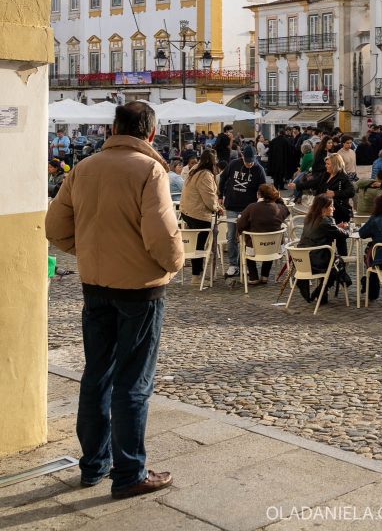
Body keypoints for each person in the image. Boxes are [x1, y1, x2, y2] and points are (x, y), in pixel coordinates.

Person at [44, 101, 183, 497]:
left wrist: (86, 250)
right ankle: (129, 473)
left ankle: (93, 465)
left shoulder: (84, 168)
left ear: (113, 129)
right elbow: (163, 238)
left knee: (97, 374)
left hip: (95, 287)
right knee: (133, 382)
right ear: (151, 133)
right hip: (140, 290)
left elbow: (54, 227)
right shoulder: (150, 169)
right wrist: (172, 265)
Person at [219, 144, 267, 277]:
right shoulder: (234, 164)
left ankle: (244, 263)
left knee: (247, 237)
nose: (249, 164)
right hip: (232, 205)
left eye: (251, 161)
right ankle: (233, 264)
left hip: (248, 208)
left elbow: (263, 188)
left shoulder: (259, 169)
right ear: (242, 157)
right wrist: (219, 196)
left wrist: (260, 202)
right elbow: (222, 179)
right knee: (231, 236)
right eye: (247, 161)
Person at [179, 149, 223, 284]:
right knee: (199, 246)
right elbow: (209, 197)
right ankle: (196, 276)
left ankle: (198, 274)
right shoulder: (205, 175)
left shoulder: (195, 170)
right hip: (197, 213)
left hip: (187, 211)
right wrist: (217, 207)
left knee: (196, 245)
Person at [297, 194, 349, 304]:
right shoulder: (326, 221)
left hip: (303, 260)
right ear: (323, 208)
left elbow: (323, 231)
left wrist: (336, 227)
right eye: (332, 206)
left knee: (332, 262)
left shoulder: (309, 218)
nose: (334, 209)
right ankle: (320, 291)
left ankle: (322, 294)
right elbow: (343, 235)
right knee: (336, 265)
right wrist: (346, 229)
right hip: (317, 260)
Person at [236, 184, 290, 285]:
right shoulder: (279, 208)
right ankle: (265, 275)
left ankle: (253, 276)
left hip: (254, 247)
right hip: (274, 247)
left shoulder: (251, 208)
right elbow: (286, 210)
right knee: (270, 238)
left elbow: (240, 225)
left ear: (258, 194)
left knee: (246, 242)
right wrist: (279, 198)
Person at [318, 153, 355, 224]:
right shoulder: (326, 174)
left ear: (335, 165)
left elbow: (351, 192)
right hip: (327, 210)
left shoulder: (343, 177)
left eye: (328, 164)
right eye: (326, 163)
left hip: (339, 212)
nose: (326, 166)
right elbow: (315, 183)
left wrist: (335, 193)